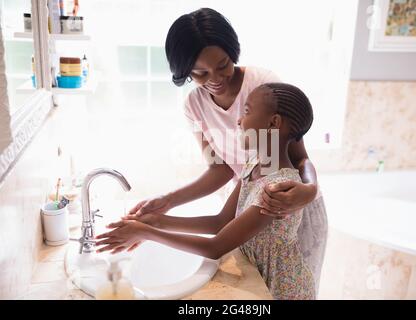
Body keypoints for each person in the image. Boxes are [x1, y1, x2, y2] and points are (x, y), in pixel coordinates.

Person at [127, 8, 328, 292]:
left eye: (223, 65)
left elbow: (295, 156)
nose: (215, 78)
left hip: (288, 205)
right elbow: (220, 168)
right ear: (185, 70)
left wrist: (309, 188)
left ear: (232, 51)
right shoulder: (194, 105)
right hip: (250, 201)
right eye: (200, 72)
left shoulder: (262, 90)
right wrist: (168, 202)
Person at [96, 82, 316, 300]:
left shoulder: (278, 190)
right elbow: (221, 222)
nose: (239, 120)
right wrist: (156, 221)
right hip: (258, 276)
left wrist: (145, 232)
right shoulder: (255, 164)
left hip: (281, 290)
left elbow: (216, 247)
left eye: (247, 111)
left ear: (273, 123)